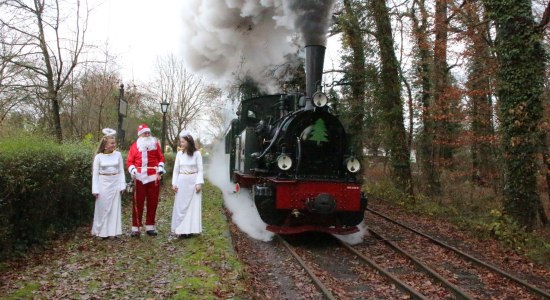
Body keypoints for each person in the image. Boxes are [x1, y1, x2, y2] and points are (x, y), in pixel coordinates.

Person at [127, 123, 166, 236]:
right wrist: (133, 170)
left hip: (153, 177)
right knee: (137, 202)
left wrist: (160, 167)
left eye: (149, 133)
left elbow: (161, 158)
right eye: (145, 133)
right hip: (139, 177)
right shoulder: (134, 146)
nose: (147, 135)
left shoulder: (155, 145)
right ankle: (136, 227)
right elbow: (130, 161)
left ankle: (150, 226)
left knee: (152, 202)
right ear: (140, 135)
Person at [91, 128, 126, 239]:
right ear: (105, 145)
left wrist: (122, 185)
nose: (113, 145)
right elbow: (95, 175)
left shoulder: (118, 155)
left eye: (114, 143)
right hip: (102, 184)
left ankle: (112, 231)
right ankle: (101, 231)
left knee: (114, 207)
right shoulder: (98, 157)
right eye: (111, 143)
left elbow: (121, 171)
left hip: (115, 183)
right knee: (102, 208)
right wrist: (95, 189)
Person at [171, 130, 204, 238]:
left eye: (183, 142)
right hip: (181, 182)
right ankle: (181, 229)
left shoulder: (197, 154)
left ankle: (189, 229)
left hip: (193, 182)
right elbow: (176, 170)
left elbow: (200, 170)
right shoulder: (179, 154)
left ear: (189, 142)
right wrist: (174, 183)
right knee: (180, 206)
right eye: (181, 142)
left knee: (192, 207)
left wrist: (199, 183)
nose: (181, 144)